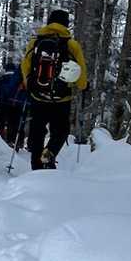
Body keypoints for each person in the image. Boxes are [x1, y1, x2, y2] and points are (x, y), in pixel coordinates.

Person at [20, 9, 88, 170]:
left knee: (37, 131)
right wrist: (82, 86)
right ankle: (49, 153)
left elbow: (25, 65)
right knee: (61, 130)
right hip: (61, 99)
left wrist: (29, 84)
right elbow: (81, 72)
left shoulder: (35, 42)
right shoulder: (72, 45)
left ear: (49, 22)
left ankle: (36, 167)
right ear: (66, 24)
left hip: (38, 96)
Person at [0, 59, 28, 146]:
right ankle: (14, 142)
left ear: (5, 69)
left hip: (2, 103)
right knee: (14, 124)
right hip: (17, 105)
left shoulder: (1, 78)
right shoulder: (20, 79)